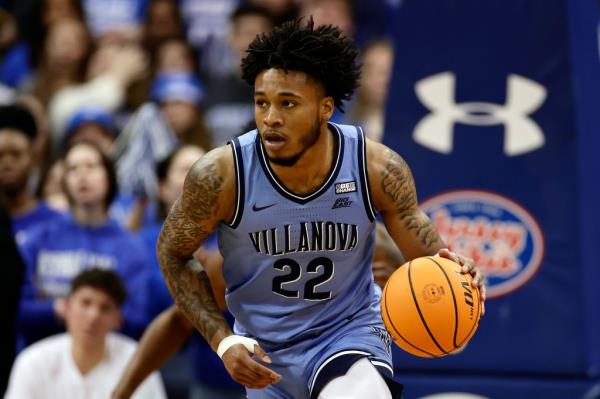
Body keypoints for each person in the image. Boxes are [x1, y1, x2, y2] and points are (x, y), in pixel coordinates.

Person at [156, 17, 486, 399]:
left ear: (325, 107)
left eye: (288, 104)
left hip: (348, 334)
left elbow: (431, 262)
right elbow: (173, 253)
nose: (270, 118)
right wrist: (223, 341)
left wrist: (457, 274)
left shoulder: (376, 168)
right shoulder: (220, 175)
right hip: (264, 352)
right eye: (261, 102)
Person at [112, 221, 402, 399]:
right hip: (236, 383)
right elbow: (177, 322)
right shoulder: (239, 256)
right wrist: (121, 393)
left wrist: (395, 291)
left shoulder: (366, 240)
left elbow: (420, 302)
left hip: (338, 367)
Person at [17, 141, 151, 347]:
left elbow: (137, 319)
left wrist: (93, 316)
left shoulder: (130, 247)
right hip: (42, 355)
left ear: (108, 176)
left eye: (91, 166)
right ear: (64, 181)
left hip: (107, 358)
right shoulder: (37, 239)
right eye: (72, 169)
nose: (82, 175)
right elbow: (15, 308)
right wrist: (55, 310)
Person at [5, 268, 166, 399]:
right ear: (66, 307)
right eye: (85, 303)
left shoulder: (138, 363)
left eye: (105, 308)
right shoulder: (33, 362)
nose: (93, 315)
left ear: (118, 320)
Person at [0, 104, 63, 245]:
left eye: (16, 154)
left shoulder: (55, 222)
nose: (7, 164)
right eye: (0, 156)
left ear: (33, 159)